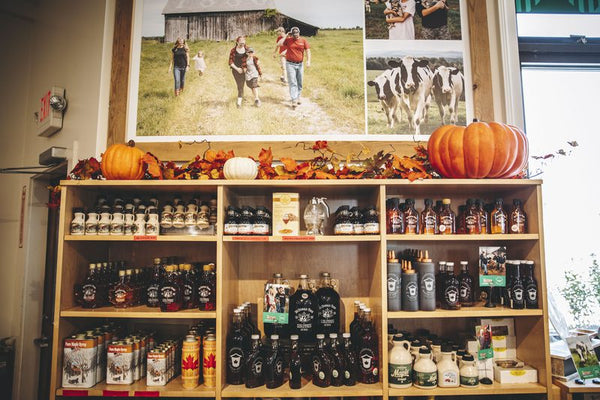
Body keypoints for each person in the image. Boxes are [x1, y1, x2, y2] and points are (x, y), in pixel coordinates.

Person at [277, 27, 311, 109]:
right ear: (291, 33)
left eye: (297, 32)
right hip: (290, 64)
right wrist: (286, 36)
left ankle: (298, 96)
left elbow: (308, 51)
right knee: (292, 82)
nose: (295, 34)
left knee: (300, 82)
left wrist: (308, 60)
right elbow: (279, 44)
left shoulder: (303, 41)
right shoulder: (288, 40)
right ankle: (294, 99)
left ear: (299, 33)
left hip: (300, 64)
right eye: (294, 33)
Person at [228, 36, 249, 108]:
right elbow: (230, 62)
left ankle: (240, 99)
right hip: (235, 70)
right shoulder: (233, 50)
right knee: (239, 85)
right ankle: (240, 100)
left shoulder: (247, 49)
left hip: (245, 70)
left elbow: (251, 58)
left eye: (243, 43)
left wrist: (244, 68)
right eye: (241, 43)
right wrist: (237, 69)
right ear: (237, 42)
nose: (242, 44)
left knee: (243, 85)